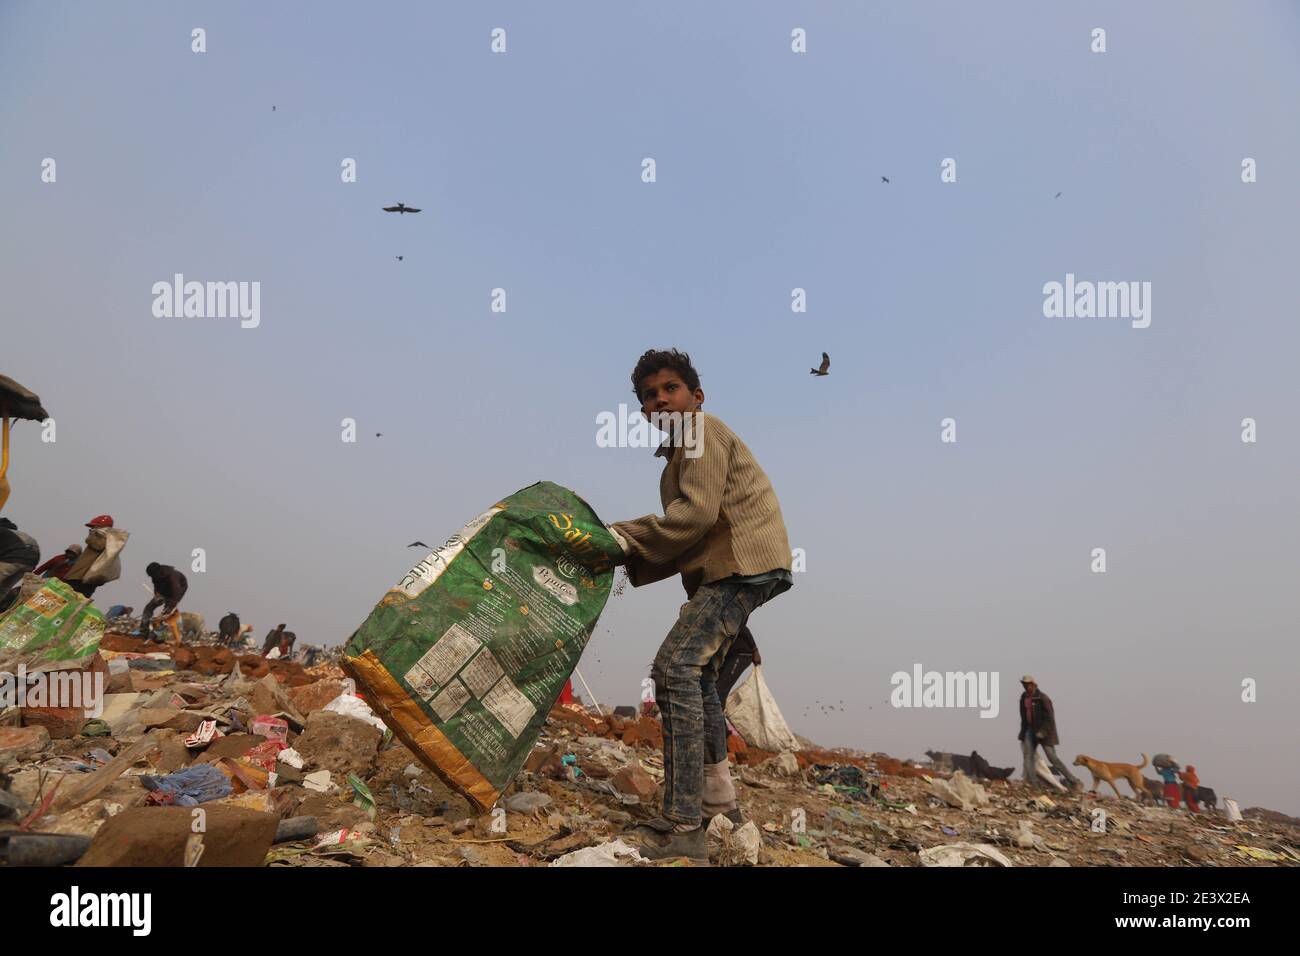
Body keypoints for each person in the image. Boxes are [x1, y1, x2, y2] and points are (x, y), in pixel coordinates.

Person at [606, 348, 793, 862]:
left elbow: (693, 519)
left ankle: (683, 822)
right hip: (735, 566)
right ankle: (718, 807)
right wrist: (628, 557)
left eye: (670, 388)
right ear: (643, 411)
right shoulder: (676, 461)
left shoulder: (700, 432)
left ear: (696, 397)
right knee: (701, 678)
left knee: (675, 668)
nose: (660, 399)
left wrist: (617, 539)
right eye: (649, 395)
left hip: (742, 562)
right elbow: (688, 537)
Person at [1017, 675, 1083, 791]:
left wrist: (1042, 732)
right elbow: (1024, 717)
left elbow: (1050, 718)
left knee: (1053, 758)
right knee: (1028, 757)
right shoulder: (1024, 698)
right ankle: (1034, 784)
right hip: (1030, 730)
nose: (1026, 686)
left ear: (1033, 684)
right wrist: (1023, 733)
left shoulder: (1042, 698)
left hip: (1045, 732)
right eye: (1024, 684)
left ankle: (1074, 781)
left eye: (1028, 684)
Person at [63, 515, 128, 599]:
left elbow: (98, 545)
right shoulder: (109, 539)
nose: (92, 528)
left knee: (66, 600)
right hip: (85, 578)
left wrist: (92, 534)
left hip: (81, 577)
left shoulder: (103, 537)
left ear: (100, 526)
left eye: (93, 526)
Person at [140, 562, 188, 643]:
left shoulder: (172, 576)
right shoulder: (155, 576)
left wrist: (171, 604)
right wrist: (157, 595)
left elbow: (176, 591)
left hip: (175, 595)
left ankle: (158, 637)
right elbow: (156, 586)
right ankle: (144, 630)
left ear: (157, 572)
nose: (152, 577)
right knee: (148, 608)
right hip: (163, 592)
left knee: (165, 616)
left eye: (152, 575)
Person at [0, 516, 40, 604]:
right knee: (3, 589)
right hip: (30, 564)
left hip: (14, 558)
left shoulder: (2, 531)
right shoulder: (17, 534)